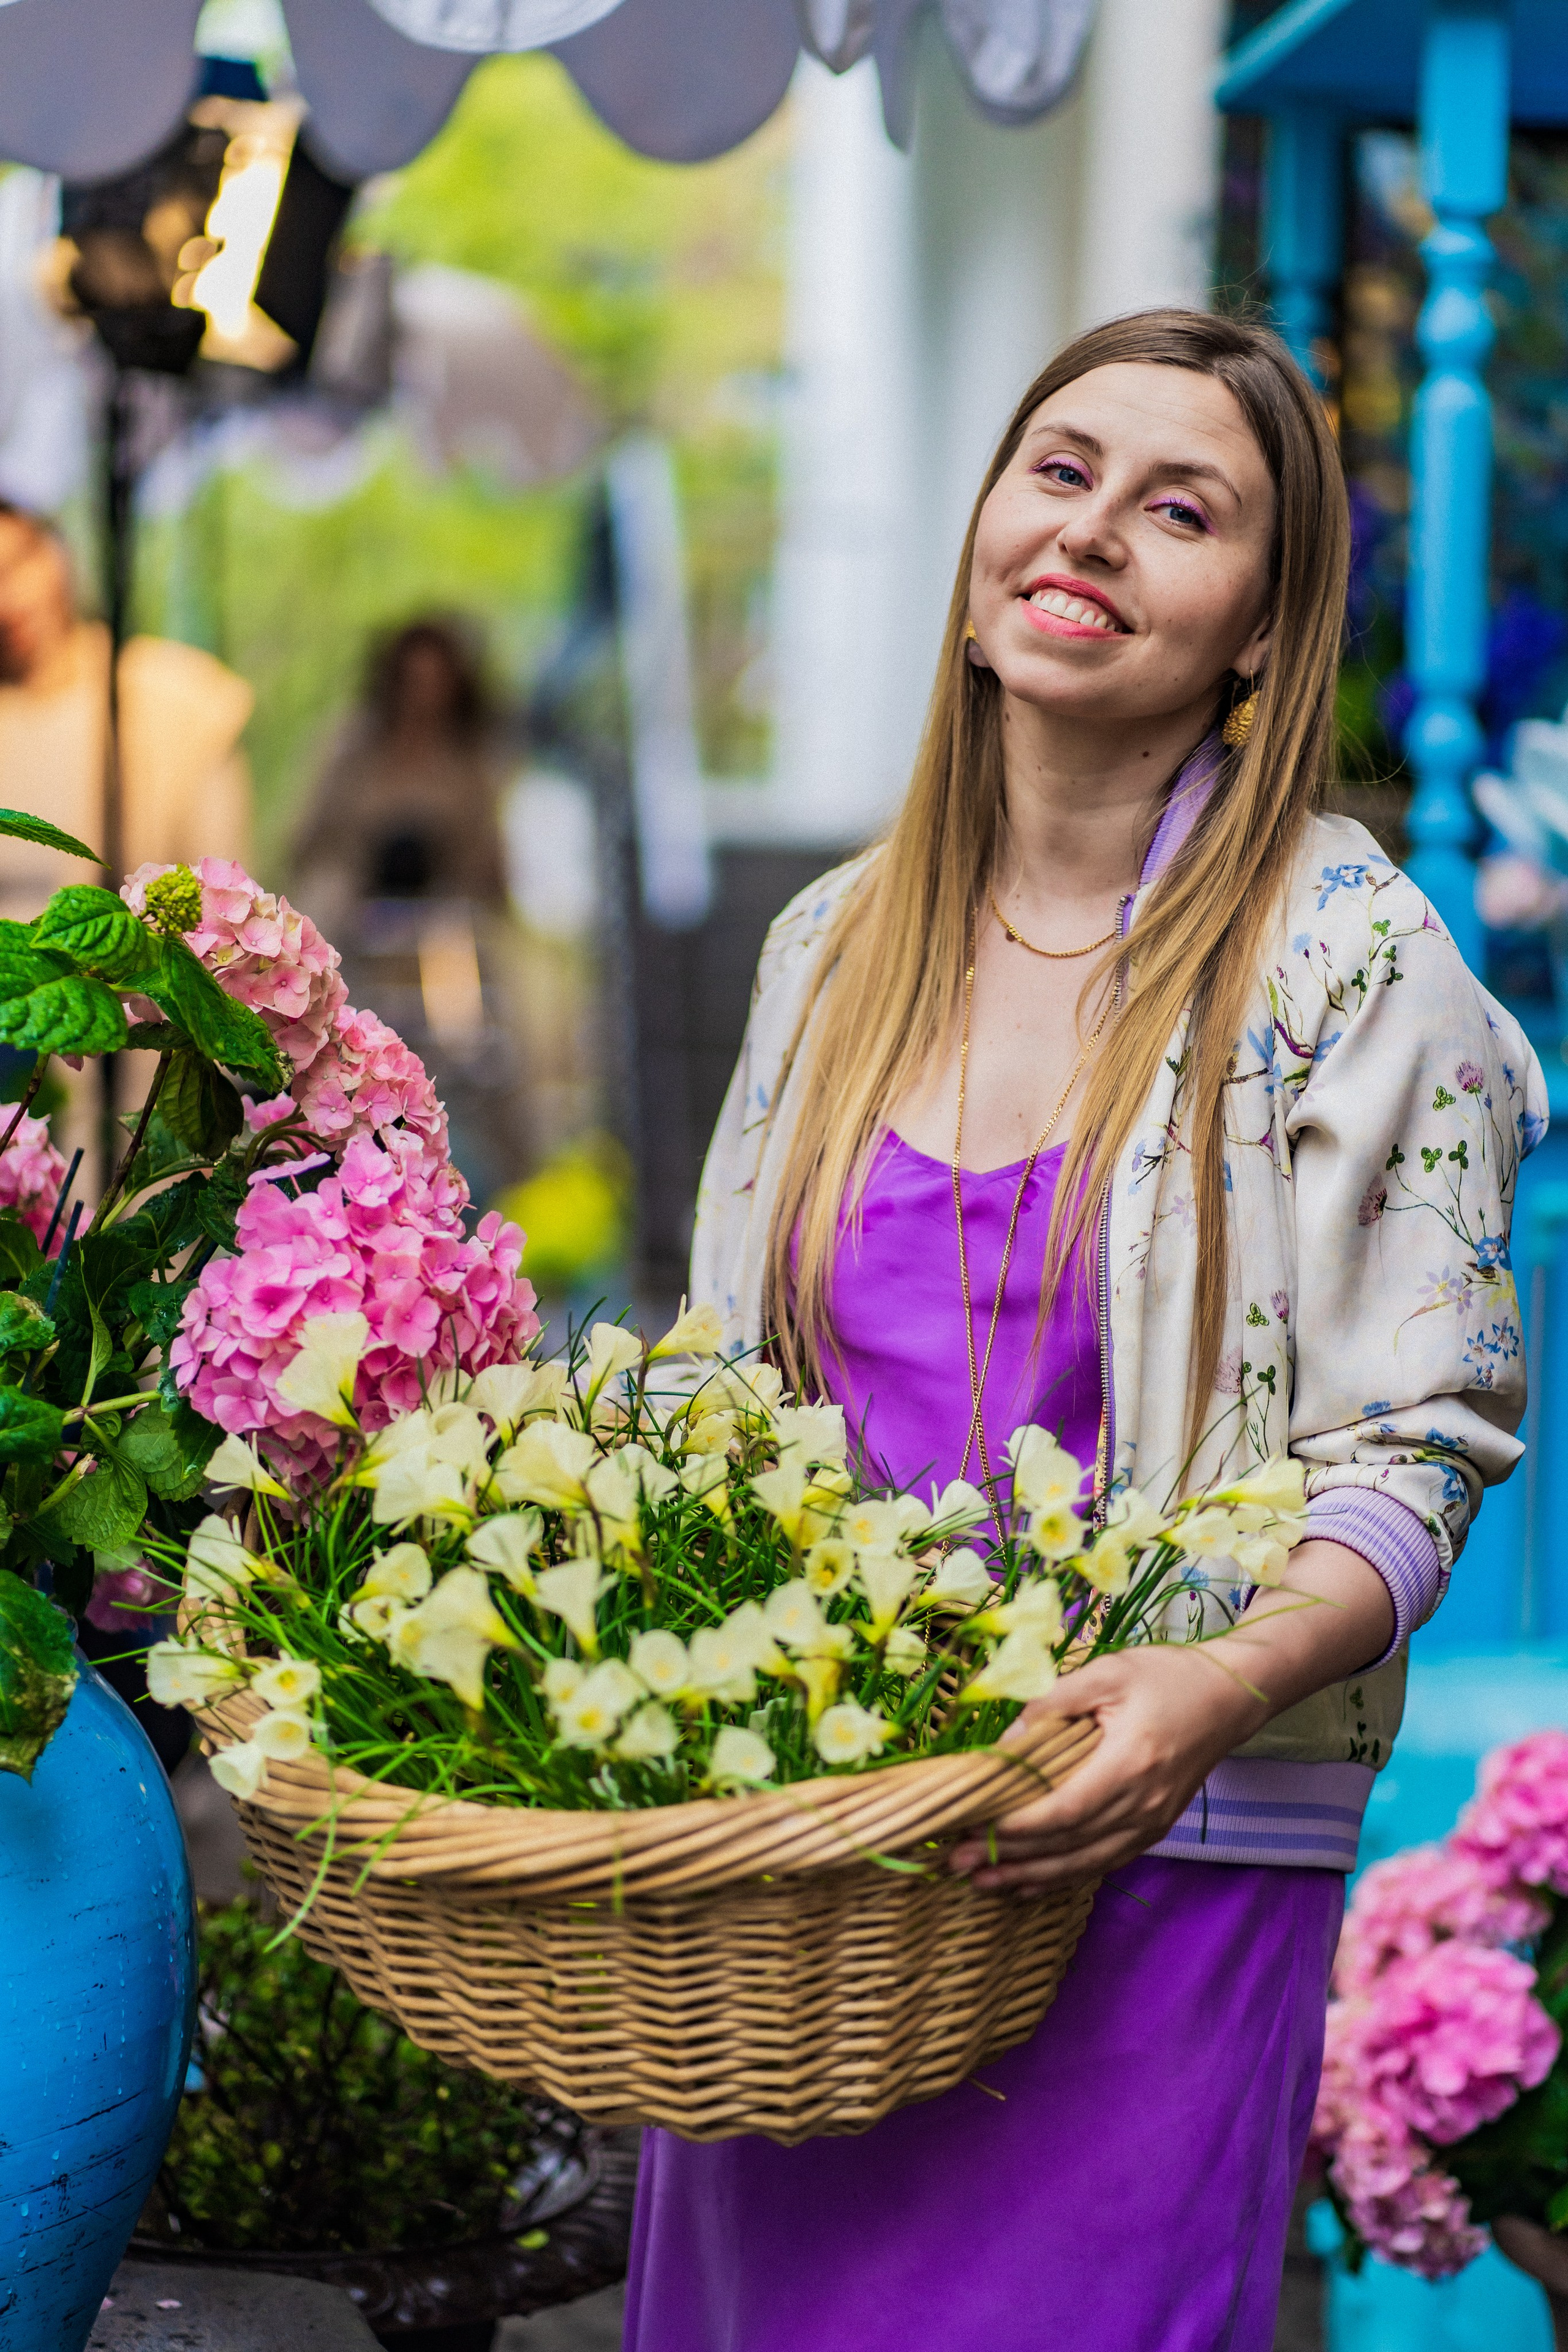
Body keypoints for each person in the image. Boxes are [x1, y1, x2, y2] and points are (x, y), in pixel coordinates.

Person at [624, 311, 1545, 2351]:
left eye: (1181, 506)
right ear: (981, 542)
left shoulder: (1351, 956)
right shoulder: (828, 946)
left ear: (1257, 632)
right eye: (1062, 470)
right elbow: (719, 1391)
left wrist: (1216, 1686)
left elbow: (1424, 1440)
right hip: (818, 1871)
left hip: (1160, 1862)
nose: (1098, 529)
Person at [0, 500, 252, 914]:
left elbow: (222, 890)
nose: (7, 600)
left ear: (56, 556)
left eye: (16, 566)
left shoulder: (173, 696)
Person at [290, 617, 508, 943]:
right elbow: (308, 840)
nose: (424, 695)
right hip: (352, 911)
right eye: (414, 681)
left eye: (436, 682)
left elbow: (487, 868)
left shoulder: (469, 763)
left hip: (442, 915)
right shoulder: (350, 750)